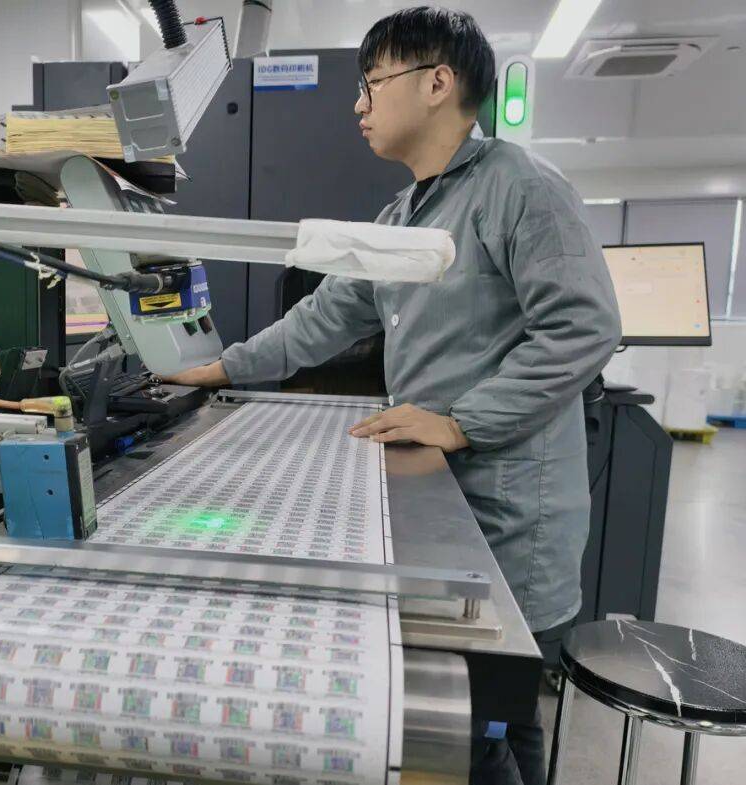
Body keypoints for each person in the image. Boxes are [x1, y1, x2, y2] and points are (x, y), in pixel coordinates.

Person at [166, 6, 622, 784]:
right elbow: (323, 318)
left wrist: (459, 422)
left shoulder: (523, 190)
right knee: (497, 724)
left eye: (373, 84)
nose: (358, 104)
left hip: (511, 523)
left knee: (482, 725)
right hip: (446, 509)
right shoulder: (403, 217)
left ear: (438, 83)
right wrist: (220, 368)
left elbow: (585, 328)